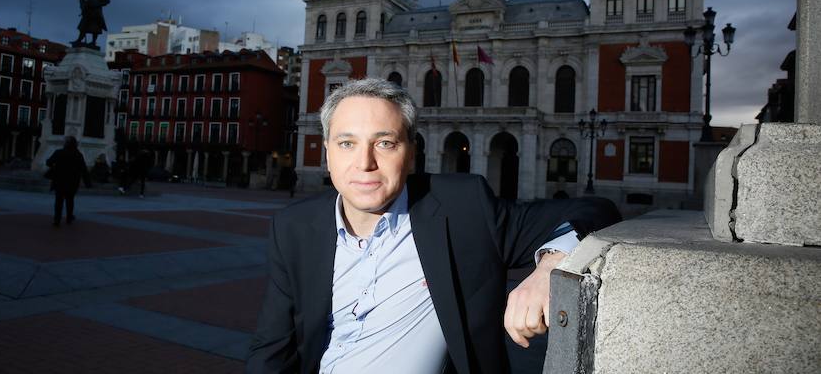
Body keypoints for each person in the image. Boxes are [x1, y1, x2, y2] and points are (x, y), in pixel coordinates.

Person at [246, 79, 620, 374]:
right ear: (326, 149)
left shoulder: (463, 210)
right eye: (346, 143)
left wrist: (551, 264)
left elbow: (597, 209)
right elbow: (272, 348)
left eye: (385, 143)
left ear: (411, 153)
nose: (364, 163)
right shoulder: (293, 226)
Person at [46, 136, 91, 227]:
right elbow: (84, 169)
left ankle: (57, 219)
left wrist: (54, 166)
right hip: (72, 181)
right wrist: (87, 182)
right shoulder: (78, 155)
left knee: (59, 200)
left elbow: (49, 162)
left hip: (60, 180)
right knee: (70, 200)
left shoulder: (59, 152)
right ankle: (69, 217)